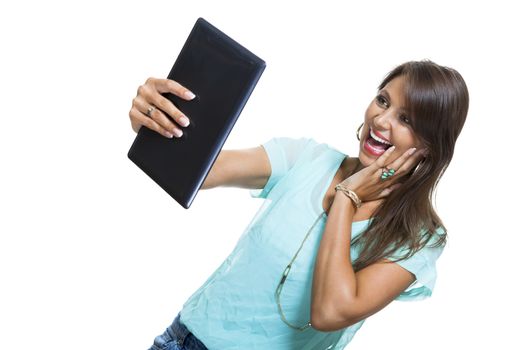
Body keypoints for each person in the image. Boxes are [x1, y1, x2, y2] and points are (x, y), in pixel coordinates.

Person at [129, 60, 469, 350]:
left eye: (406, 119)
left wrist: (346, 199)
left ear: (429, 145)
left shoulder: (419, 239)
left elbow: (330, 313)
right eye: (383, 101)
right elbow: (192, 171)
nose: (381, 121)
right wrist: (150, 121)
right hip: (187, 341)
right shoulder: (307, 158)